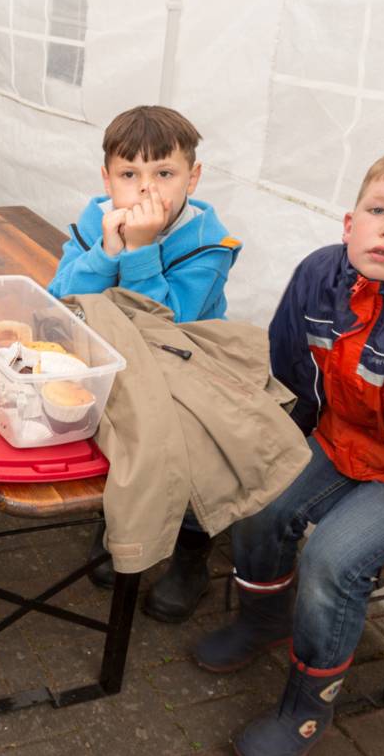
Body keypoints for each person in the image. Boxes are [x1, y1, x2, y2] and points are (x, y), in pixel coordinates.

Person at [195, 147, 384, 756]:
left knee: (332, 560)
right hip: (336, 441)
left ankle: (307, 707)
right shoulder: (318, 276)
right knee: (259, 499)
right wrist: (262, 450)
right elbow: (286, 376)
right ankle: (265, 618)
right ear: (348, 223)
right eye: (378, 210)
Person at [49, 105, 242, 621]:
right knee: (107, 425)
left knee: (195, 443)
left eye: (164, 174)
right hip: (113, 357)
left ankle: (191, 551)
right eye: (129, 175)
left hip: (184, 364)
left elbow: (164, 328)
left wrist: (139, 251)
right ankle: (117, 520)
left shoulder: (208, 245)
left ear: (192, 177)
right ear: (107, 178)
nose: (145, 190)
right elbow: (60, 300)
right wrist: (107, 251)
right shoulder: (98, 218)